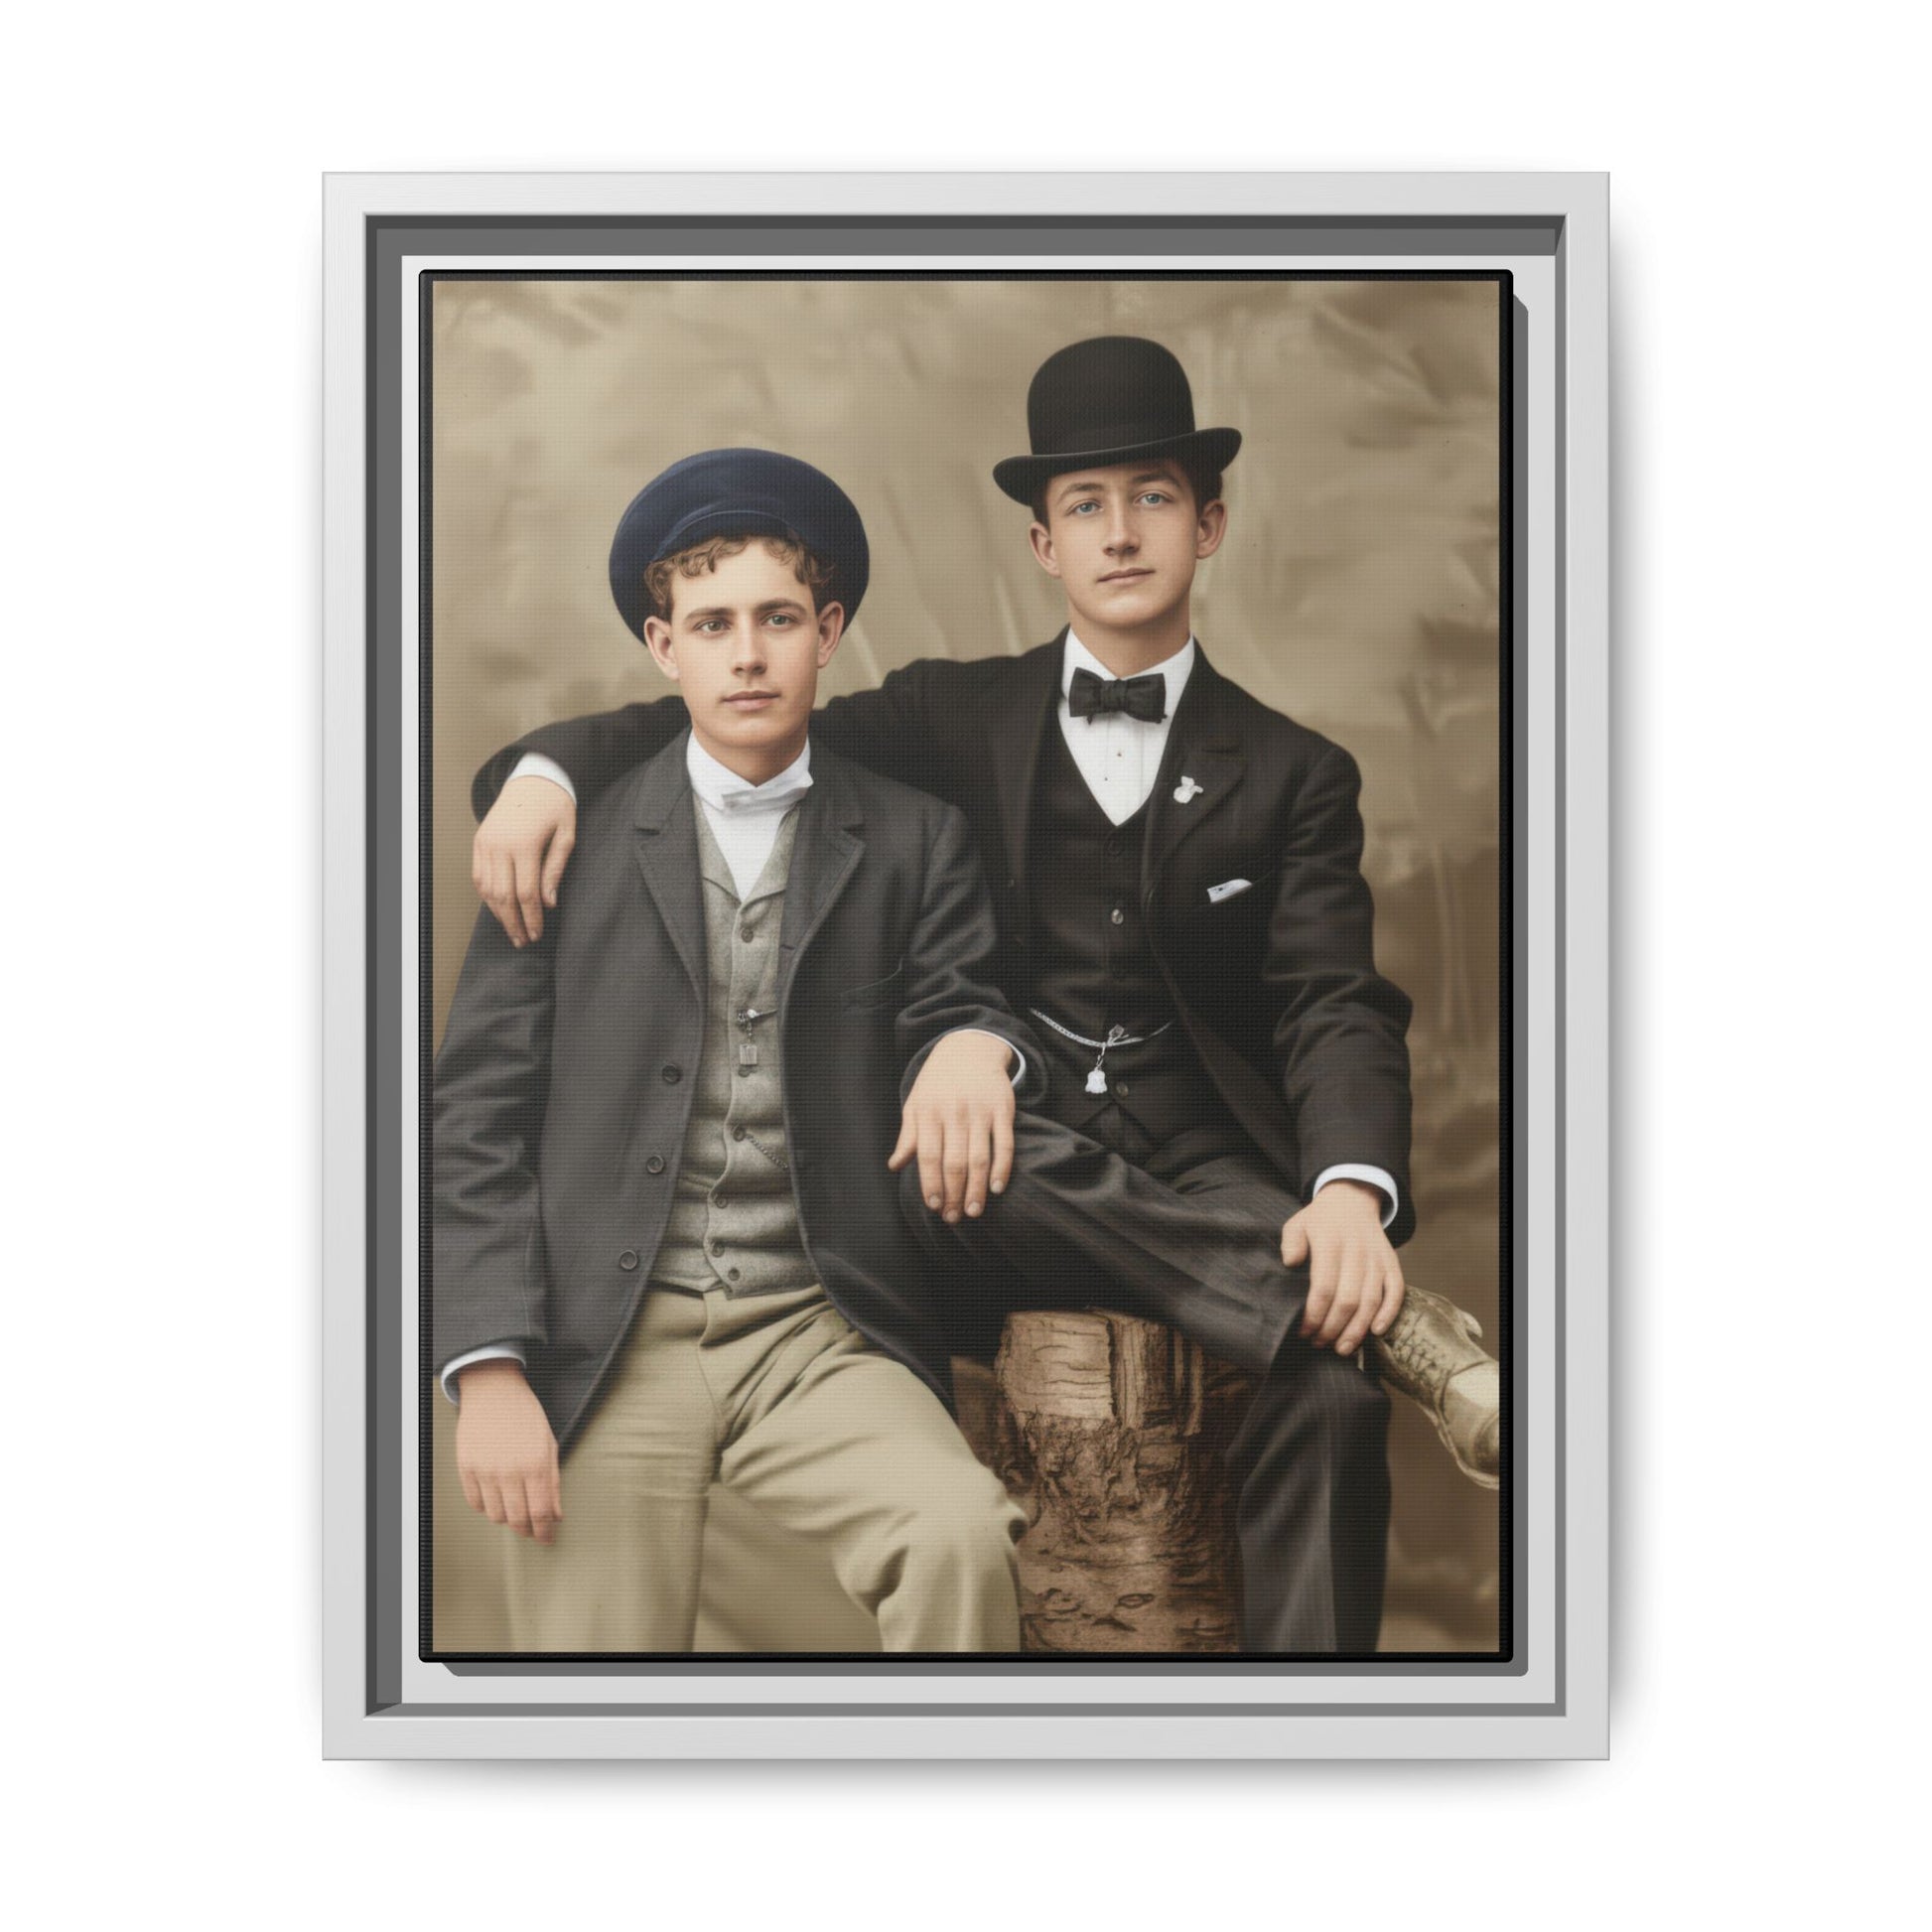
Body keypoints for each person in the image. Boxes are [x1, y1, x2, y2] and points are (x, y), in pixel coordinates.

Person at [467, 339, 1501, 1655]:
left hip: (1199, 1166)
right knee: (986, 1160)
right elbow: (734, 717)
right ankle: (1363, 1320)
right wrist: (547, 774)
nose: (1119, 533)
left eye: (1153, 498)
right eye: (1084, 506)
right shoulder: (947, 715)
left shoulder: (1295, 772)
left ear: (1212, 522)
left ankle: (1309, 1727)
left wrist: (1348, 1191)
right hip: (991, 1157)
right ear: (1040, 544)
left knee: (1336, 1394)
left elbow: (1331, 1001)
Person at [434, 448, 1035, 1654]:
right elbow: (472, 1121)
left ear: (830, 629)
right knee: (585, 1666)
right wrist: (488, 1368)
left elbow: (958, 993)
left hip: (818, 1323)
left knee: (958, 1529)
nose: (746, 654)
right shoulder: (560, 839)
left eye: (775, 619)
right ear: (665, 651)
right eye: (711, 624)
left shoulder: (916, 838)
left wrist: (978, 1040)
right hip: (605, 1331)